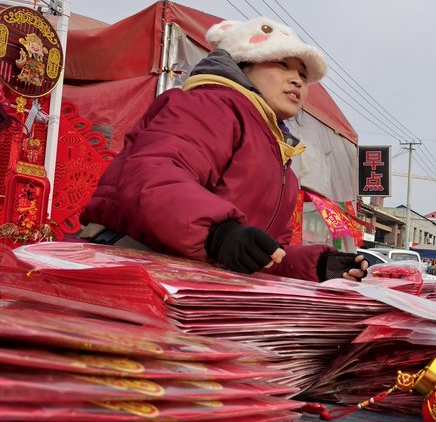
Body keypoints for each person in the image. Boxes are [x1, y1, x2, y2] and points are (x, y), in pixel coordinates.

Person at [81, 17, 367, 283]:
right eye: (282, 64)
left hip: (190, 283)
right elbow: (152, 176)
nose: (297, 81)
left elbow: (258, 254)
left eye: (303, 75)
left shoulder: (281, 158)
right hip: (128, 265)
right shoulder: (210, 105)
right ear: (245, 64)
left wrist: (317, 266)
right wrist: (219, 232)